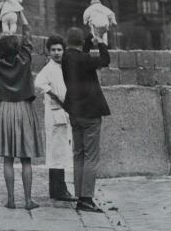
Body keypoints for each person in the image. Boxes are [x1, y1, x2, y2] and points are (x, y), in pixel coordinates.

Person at [0, 8, 44, 210]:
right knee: (26, 159)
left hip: (4, 109)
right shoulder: (25, 59)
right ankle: (28, 200)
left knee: (8, 159)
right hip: (23, 108)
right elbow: (28, 39)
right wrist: (21, 15)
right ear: (19, 47)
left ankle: (11, 200)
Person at [62, 27, 110, 213]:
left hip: (74, 112)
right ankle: (87, 199)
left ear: (67, 42)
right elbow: (105, 60)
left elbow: (82, 54)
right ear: (81, 43)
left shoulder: (66, 57)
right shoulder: (85, 60)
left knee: (78, 155)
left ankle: (79, 195)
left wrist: (89, 38)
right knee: (91, 157)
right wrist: (102, 42)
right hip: (90, 113)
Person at [35, 36, 76, 201]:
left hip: (64, 112)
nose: (57, 53)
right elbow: (38, 83)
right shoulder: (49, 68)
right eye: (53, 50)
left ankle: (57, 189)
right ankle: (59, 190)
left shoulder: (64, 66)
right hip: (55, 112)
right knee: (57, 151)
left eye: (59, 49)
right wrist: (52, 93)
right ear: (48, 51)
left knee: (61, 151)